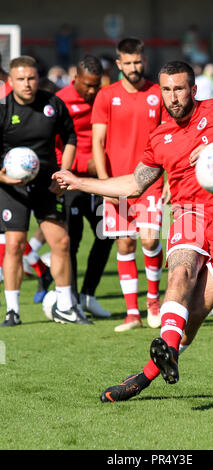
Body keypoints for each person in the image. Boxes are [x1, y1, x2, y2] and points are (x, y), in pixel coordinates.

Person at [53, 61, 213, 402]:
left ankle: (145, 375)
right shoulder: (160, 137)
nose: (173, 97)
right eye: (167, 90)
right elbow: (134, 184)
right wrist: (78, 182)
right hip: (189, 214)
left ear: (193, 89)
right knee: (181, 273)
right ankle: (163, 355)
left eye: (179, 88)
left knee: (197, 312)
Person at [0, 55, 91, 326]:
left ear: (37, 78)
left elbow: (70, 137)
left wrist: (63, 174)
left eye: (31, 78)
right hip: (11, 188)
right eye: (21, 79)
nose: (27, 84)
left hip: (46, 185)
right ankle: (13, 310)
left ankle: (66, 306)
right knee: (14, 245)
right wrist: (2, 178)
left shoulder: (52, 104)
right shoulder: (2, 109)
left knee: (61, 242)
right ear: (11, 80)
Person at [91, 37, 167, 332]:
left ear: (143, 61)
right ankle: (132, 313)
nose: (134, 67)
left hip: (150, 182)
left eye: (138, 62)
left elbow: (166, 139)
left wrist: (169, 180)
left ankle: (153, 302)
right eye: (129, 63)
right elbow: (98, 141)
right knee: (125, 242)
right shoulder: (106, 96)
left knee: (148, 239)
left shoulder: (157, 93)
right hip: (117, 183)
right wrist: (103, 185)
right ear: (119, 63)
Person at [55, 55, 114, 318]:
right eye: (87, 86)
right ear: (75, 78)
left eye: (96, 85)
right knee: (73, 239)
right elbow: (54, 145)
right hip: (73, 179)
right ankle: (70, 297)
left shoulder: (105, 97)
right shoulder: (60, 101)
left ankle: (88, 294)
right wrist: (80, 163)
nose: (91, 91)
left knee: (107, 233)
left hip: (102, 178)